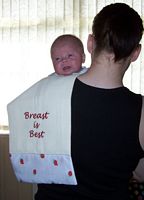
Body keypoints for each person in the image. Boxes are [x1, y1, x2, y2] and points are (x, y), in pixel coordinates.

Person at [34, 2, 144, 200]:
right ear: (136, 53)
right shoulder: (141, 110)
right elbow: (140, 173)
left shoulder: (42, 92)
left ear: (90, 43)